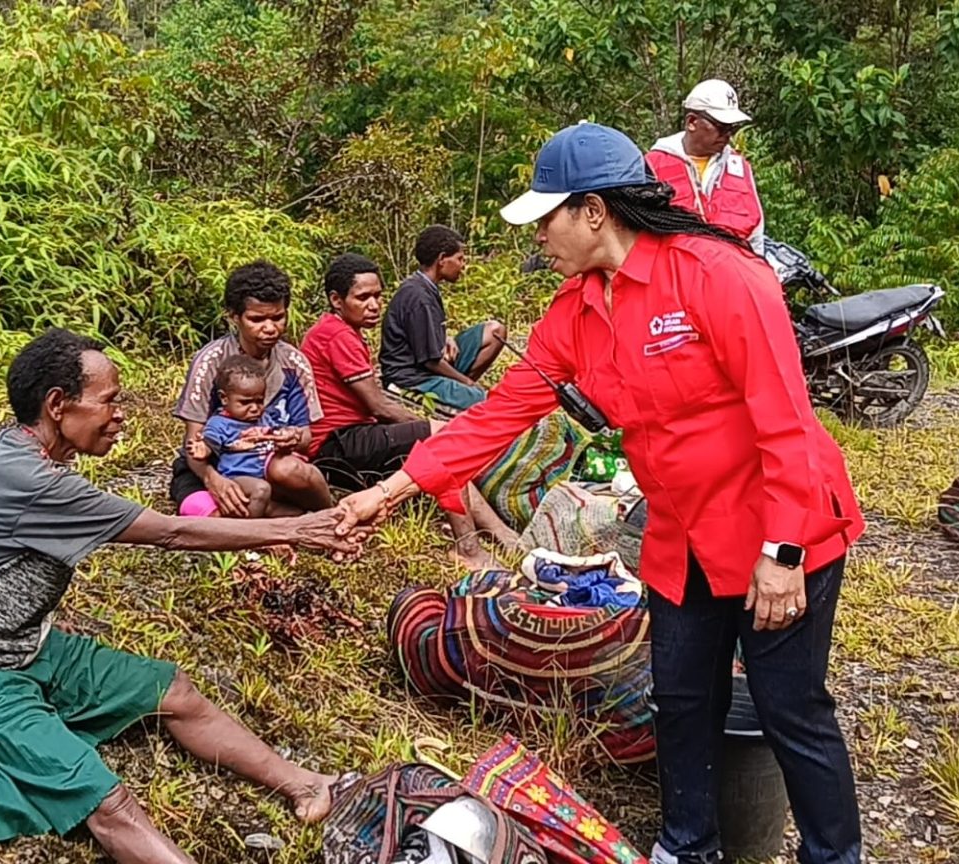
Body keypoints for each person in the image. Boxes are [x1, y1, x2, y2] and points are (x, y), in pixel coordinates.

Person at [335, 123, 866, 864]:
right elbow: (495, 417)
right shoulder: (577, 310)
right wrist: (385, 492)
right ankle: (688, 847)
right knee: (679, 700)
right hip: (680, 536)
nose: (539, 238)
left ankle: (834, 855)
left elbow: (786, 425)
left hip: (779, 523)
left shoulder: (718, 276)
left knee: (790, 708)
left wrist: (783, 554)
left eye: (545, 218)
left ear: (592, 211)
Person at [0, 328, 361, 864]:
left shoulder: (23, 458)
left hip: (21, 649)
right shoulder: (33, 481)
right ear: (58, 405)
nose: (121, 413)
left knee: (174, 690)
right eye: (110, 400)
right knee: (111, 803)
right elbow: (173, 533)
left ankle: (305, 784)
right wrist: (301, 529)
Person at [301, 252, 519, 569]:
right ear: (336, 299)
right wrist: (428, 424)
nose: (374, 305)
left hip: (352, 435)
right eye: (363, 297)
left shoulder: (340, 330)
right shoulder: (336, 335)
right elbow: (378, 405)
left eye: (377, 296)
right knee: (443, 438)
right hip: (337, 442)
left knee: (441, 443)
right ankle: (470, 548)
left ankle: (493, 529)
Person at [170, 260, 324, 519]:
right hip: (213, 468)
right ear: (234, 316)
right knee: (212, 519)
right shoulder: (212, 362)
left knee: (288, 471)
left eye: (278, 317)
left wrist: (294, 438)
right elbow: (193, 442)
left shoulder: (293, 364)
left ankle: (329, 516)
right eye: (256, 319)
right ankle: (276, 524)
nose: (270, 327)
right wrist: (213, 480)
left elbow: (307, 439)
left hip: (267, 465)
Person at [379, 225, 507, 410]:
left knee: (495, 331)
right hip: (411, 377)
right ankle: (460, 394)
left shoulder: (425, 287)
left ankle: (457, 391)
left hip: (430, 362)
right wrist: (467, 382)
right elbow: (430, 360)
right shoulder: (418, 297)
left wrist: (445, 337)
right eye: (459, 259)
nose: (463, 265)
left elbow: (422, 332)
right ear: (441, 259)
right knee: (482, 400)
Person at [197, 354, 332, 517]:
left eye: (259, 401)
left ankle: (327, 514)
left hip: (266, 476)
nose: (254, 408)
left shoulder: (264, 417)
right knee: (261, 489)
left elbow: (277, 432)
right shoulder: (219, 423)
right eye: (245, 403)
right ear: (224, 398)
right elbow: (210, 442)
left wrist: (287, 435)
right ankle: (250, 534)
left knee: (296, 513)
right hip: (238, 477)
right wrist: (202, 449)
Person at [645, 79, 766, 256]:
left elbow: (756, 234)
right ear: (692, 122)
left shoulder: (739, 167)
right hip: (675, 275)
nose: (728, 135)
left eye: (731, 128)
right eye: (721, 127)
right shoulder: (653, 165)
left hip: (730, 273)